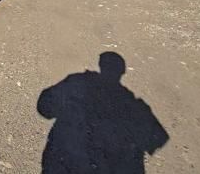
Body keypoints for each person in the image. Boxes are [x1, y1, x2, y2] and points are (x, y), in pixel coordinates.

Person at [37, 52, 168, 174]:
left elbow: (44, 107)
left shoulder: (77, 82)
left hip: (65, 163)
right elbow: (157, 139)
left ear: (100, 64)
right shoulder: (134, 105)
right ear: (122, 72)